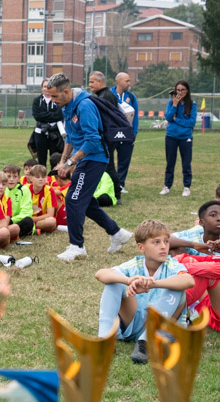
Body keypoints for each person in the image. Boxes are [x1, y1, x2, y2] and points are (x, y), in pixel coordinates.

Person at [45, 73, 132, 261]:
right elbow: (70, 137)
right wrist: (63, 161)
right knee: (85, 201)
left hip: (95, 159)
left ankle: (77, 246)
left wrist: (70, 163)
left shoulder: (84, 106)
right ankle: (117, 233)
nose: (52, 100)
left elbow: (92, 140)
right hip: (85, 159)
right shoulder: (67, 106)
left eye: (54, 96)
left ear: (66, 92)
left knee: (73, 199)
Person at [96, 220, 194, 364]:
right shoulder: (135, 264)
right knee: (113, 282)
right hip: (134, 323)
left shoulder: (171, 264)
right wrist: (128, 280)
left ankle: (146, 342)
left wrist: (154, 284)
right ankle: (105, 339)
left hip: (161, 329)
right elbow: (100, 274)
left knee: (177, 288)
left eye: (166, 241)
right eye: (156, 242)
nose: (163, 246)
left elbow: (189, 281)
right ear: (141, 247)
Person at [88, 71, 120, 202]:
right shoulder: (104, 95)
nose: (90, 85)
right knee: (106, 165)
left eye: (92, 82)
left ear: (100, 81)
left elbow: (105, 118)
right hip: (107, 136)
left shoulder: (105, 96)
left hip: (107, 137)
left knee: (108, 165)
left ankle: (116, 193)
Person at [161, 80, 196, 197]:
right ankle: (167, 186)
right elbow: (168, 117)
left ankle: (186, 187)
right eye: (178, 90)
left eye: (182, 90)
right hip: (171, 136)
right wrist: (174, 105)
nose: (180, 92)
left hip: (185, 137)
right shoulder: (171, 102)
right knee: (170, 162)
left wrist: (176, 119)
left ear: (187, 91)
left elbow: (191, 122)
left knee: (186, 163)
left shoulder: (192, 104)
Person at [110, 72, 139, 194]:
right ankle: (110, 183)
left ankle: (121, 184)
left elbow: (135, 115)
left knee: (124, 160)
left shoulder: (131, 97)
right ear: (118, 81)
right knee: (108, 161)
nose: (129, 83)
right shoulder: (109, 94)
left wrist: (134, 132)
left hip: (127, 133)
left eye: (129, 81)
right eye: (127, 81)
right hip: (112, 133)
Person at [31, 78, 64, 167]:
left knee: (55, 158)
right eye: (45, 86)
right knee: (41, 159)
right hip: (40, 132)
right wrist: (52, 116)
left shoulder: (57, 100)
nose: (46, 89)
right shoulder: (37, 100)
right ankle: (41, 175)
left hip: (54, 133)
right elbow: (37, 116)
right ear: (42, 88)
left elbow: (60, 115)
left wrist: (44, 116)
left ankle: (54, 175)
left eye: (49, 86)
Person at [3, 164, 35, 237]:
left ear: (19, 178)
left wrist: (11, 220)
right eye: (8, 176)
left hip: (16, 222)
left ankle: (9, 232)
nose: (11, 179)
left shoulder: (24, 190)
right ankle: (8, 232)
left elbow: (26, 212)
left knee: (28, 221)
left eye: (15, 177)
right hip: (3, 222)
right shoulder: (1, 189)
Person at [26, 165, 58, 234]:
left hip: (41, 220)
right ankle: (33, 228)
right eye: (37, 177)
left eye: (43, 177)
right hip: (26, 219)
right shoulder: (25, 189)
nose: (41, 179)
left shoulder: (49, 190)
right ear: (31, 178)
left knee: (51, 221)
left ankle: (30, 228)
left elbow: (50, 214)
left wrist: (32, 219)